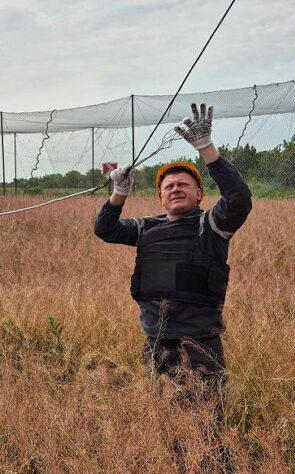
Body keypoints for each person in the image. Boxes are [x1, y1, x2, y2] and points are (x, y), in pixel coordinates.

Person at [94, 103, 252, 396]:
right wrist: (119, 193)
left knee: (205, 428)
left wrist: (207, 150)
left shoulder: (211, 225)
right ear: (161, 197)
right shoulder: (146, 228)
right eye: (168, 186)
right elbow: (105, 229)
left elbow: (239, 197)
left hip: (199, 345)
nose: (175, 189)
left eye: (184, 184)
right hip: (155, 341)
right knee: (163, 425)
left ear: (199, 194)